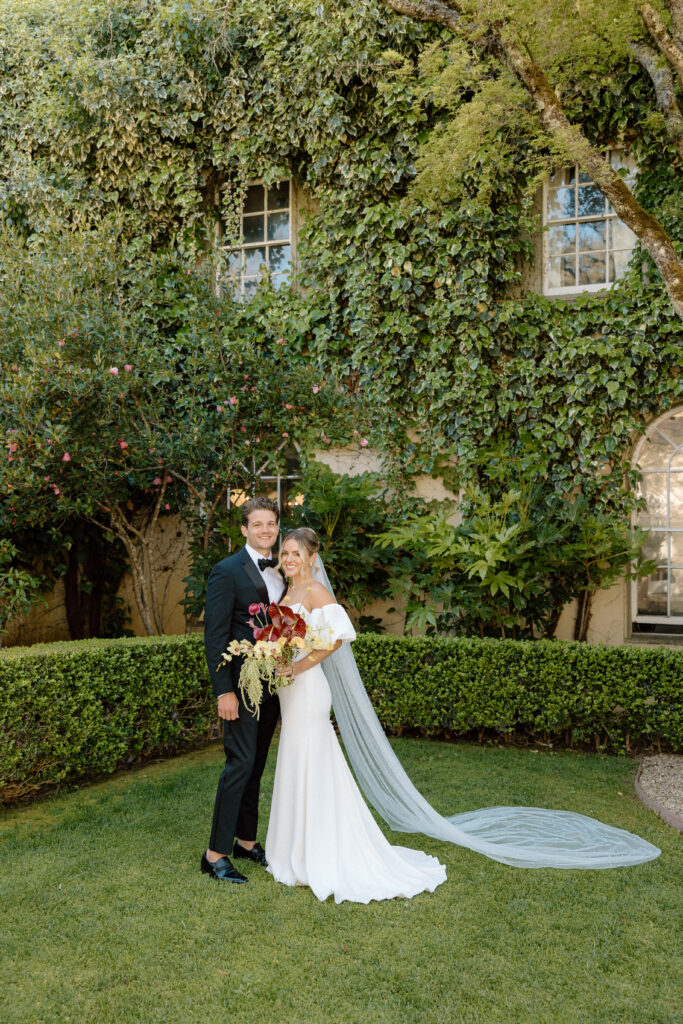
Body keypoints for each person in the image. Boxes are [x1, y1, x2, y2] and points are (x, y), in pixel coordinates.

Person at [265, 527, 447, 903]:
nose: (289, 559)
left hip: (309, 688)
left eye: (296, 553)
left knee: (312, 758)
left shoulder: (315, 591)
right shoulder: (288, 592)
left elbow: (333, 640)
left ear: (312, 558)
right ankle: (292, 851)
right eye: (285, 553)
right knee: (295, 757)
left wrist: (296, 668)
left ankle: (319, 852)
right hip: (289, 690)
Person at [201, 496, 286, 883]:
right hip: (239, 683)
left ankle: (246, 841)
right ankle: (214, 853)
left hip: (271, 685)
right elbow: (215, 634)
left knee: (256, 765)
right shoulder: (226, 570)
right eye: (258, 524)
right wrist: (224, 692)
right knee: (238, 763)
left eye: (271, 523)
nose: (265, 530)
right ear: (244, 529)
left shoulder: (283, 570)